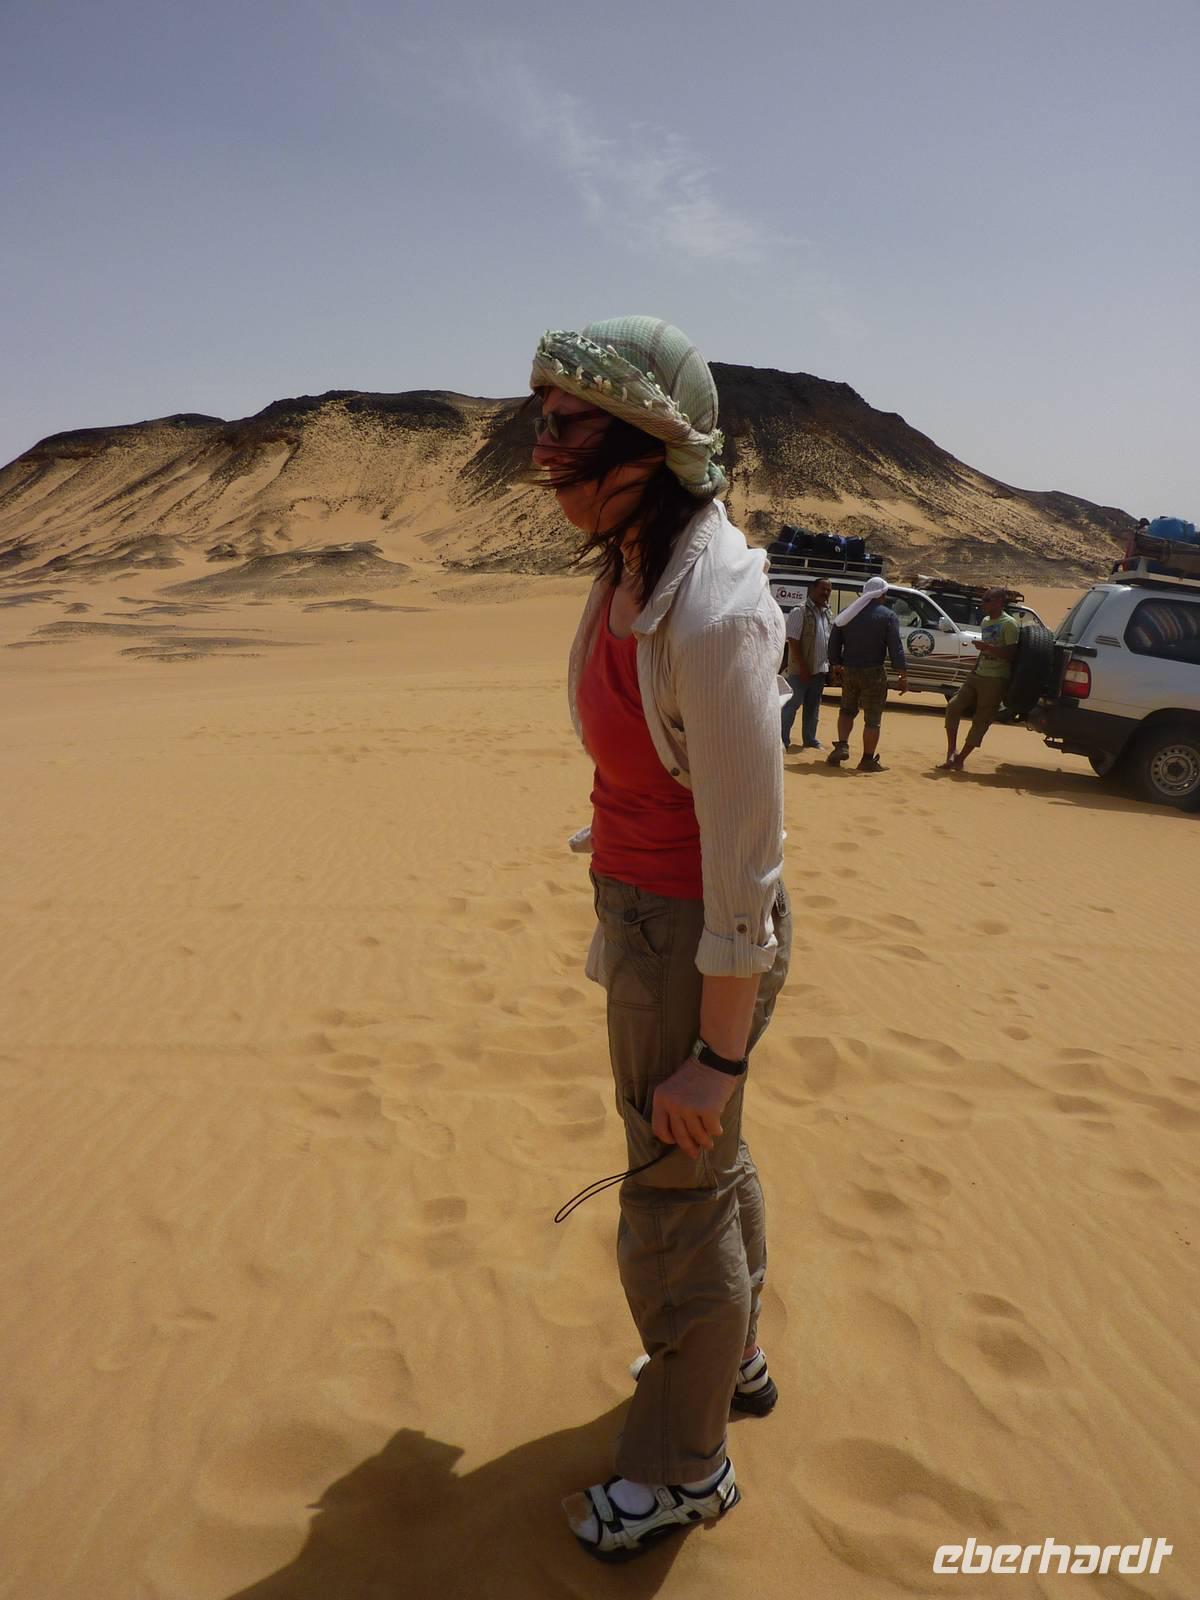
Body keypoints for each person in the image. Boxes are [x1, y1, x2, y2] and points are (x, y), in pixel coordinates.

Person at [529, 318, 791, 1562]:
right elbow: (659, 758)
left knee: (675, 1192)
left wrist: (719, 1054)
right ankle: (729, 1358)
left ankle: (686, 1469)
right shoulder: (630, 563)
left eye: (569, 426)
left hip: (695, 940)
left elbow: (745, 865)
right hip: (648, 910)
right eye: (539, 419)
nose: (543, 451)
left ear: (651, 445)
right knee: (711, 1168)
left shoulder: (715, 606)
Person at [825, 575, 908, 770]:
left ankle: (842, 746)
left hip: (849, 670)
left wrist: (836, 664)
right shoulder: (888, 616)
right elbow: (895, 647)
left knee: (847, 710)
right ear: (882, 595)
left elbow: (834, 642)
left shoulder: (847, 613)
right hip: (874, 673)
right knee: (873, 719)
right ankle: (867, 760)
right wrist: (902, 675)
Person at [940, 588, 1019, 769]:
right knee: (953, 706)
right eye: (983, 600)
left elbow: (1012, 654)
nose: (982, 604)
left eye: (987, 600)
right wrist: (975, 667)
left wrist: (988, 648)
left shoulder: (1009, 624)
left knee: (981, 720)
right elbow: (984, 650)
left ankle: (960, 759)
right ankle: (951, 751)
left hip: (995, 679)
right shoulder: (985, 621)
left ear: (999, 602)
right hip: (978, 674)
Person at [781, 578, 833, 751]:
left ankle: (810, 740)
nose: (825, 593)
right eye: (822, 589)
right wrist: (802, 667)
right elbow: (793, 641)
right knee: (791, 705)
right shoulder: (800, 611)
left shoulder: (827, 613)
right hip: (800, 671)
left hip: (819, 670)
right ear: (812, 589)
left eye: (828, 590)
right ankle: (782, 740)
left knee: (813, 708)